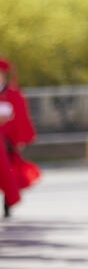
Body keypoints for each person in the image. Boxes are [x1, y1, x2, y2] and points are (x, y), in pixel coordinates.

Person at [0, 57, 39, 217]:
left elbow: (21, 118)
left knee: (8, 173)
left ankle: (7, 203)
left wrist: (20, 139)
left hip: (7, 140)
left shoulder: (14, 94)